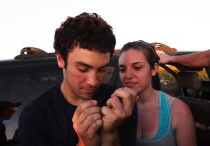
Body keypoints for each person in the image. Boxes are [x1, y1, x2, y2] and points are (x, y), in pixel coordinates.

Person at [18, 12, 137, 146]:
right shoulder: (35, 115)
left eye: (102, 69)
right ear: (61, 59)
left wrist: (110, 134)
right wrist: (84, 143)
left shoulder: (119, 105)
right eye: (83, 69)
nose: (93, 81)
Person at [118, 40, 197, 146]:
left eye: (137, 68)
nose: (127, 75)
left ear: (154, 69)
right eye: (122, 69)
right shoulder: (115, 106)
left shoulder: (178, 110)